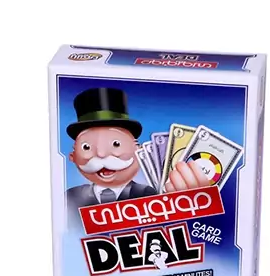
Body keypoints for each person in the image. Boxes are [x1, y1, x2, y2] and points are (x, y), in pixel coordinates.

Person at [65, 87, 206, 230]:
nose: (101, 155)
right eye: (87, 147)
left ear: (139, 151)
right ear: (73, 157)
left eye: (116, 144)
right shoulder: (70, 197)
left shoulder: (148, 195)